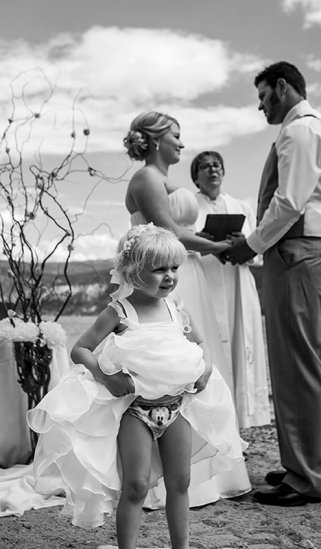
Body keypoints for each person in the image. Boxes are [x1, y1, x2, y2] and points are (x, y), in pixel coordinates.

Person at [27, 225, 251, 549]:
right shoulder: (119, 311)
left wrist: (207, 367)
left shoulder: (177, 308)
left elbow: (200, 343)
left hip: (177, 408)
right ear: (133, 271)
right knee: (135, 486)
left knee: (180, 482)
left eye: (174, 269)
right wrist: (106, 376)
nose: (169, 277)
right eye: (159, 269)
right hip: (137, 413)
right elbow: (81, 349)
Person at [227, 61, 321, 506]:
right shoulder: (309, 128)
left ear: (282, 87)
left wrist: (249, 245)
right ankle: (303, 463)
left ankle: (309, 476)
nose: (260, 106)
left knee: (298, 363)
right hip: (300, 251)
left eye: (262, 97)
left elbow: (290, 202)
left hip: (296, 252)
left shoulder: (300, 130)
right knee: (297, 362)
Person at [123, 111, 251, 508]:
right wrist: (219, 246)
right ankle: (159, 473)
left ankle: (196, 466)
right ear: (155, 139)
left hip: (184, 277)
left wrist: (209, 241)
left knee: (194, 362)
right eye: (175, 136)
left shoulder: (165, 180)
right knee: (167, 367)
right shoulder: (147, 178)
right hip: (160, 282)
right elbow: (171, 232)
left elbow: (181, 233)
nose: (181, 143)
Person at [191, 150, 270, 430]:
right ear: (196, 176)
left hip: (238, 281)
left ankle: (241, 418)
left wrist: (243, 242)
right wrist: (200, 240)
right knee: (210, 346)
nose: (212, 170)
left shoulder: (241, 207)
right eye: (205, 167)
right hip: (206, 280)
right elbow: (183, 243)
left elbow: (257, 251)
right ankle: (211, 418)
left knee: (240, 346)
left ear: (223, 171)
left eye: (217, 165)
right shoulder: (190, 207)